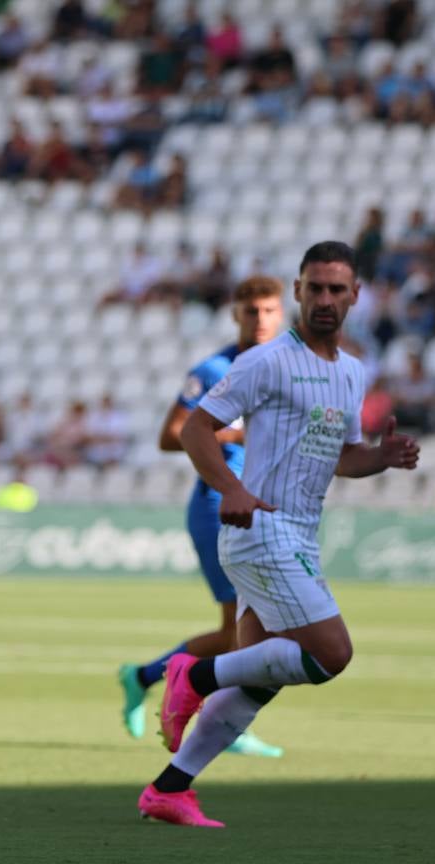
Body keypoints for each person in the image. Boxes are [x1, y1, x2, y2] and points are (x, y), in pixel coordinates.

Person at [137, 242, 419, 827]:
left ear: (355, 297)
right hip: (260, 526)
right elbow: (194, 430)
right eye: (314, 288)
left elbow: (340, 458)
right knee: (330, 654)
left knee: (262, 678)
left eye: (336, 290)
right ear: (297, 291)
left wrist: (380, 457)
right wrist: (231, 488)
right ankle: (195, 673)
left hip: (298, 534)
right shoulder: (266, 361)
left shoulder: (351, 372)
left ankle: (171, 788)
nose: (324, 299)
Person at [117, 276, 286, 757]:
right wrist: (233, 435)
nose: (259, 320)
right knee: (248, 628)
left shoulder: (288, 370)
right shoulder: (214, 369)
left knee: (241, 630)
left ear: (281, 315)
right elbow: (171, 435)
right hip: (218, 505)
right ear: (235, 313)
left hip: (261, 507)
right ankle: (224, 722)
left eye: (269, 311)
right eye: (251, 311)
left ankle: (146, 676)